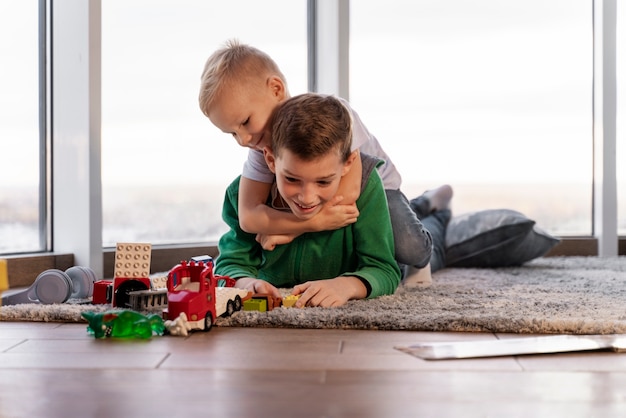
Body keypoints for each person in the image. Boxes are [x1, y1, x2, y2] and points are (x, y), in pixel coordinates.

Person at [199, 39, 452, 282]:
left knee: (411, 250)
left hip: (376, 191)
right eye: (232, 133)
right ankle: (419, 206)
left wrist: (292, 229)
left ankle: (433, 213)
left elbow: (349, 194)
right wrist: (315, 222)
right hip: (325, 199)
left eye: (244, 122)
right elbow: (248, 216)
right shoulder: (260, 148)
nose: (243, 140)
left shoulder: (334, 114)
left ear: (276, 89)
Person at [214, 93, 401, 307]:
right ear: (270, 160)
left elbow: (384, 270)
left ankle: (435, 219)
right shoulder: (242, 195)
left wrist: (346, 285)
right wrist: (245, 283)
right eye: (292, 179)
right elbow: (228, 263)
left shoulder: (368, 188)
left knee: (413, 251)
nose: (306, 197)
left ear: (348, 163)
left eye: (323, 182)